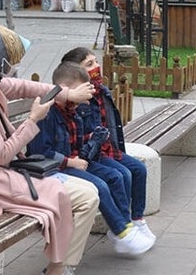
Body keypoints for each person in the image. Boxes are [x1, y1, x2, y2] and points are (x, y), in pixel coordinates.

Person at [0, 22, 100, 275]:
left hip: (4, 172)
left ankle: (60, 265)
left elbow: (25, 87)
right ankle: (59, 267)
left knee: (89, 192)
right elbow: (1, 155)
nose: (10, 66)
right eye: (5, 58)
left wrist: (66, 94)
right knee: (85, 196)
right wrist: (33, 119)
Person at [28, 61, 156, 256]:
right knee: (100, 186)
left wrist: (92, 139)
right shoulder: (48, 113)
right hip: (55, 169)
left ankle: (123, 227)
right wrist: (71, 162)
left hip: (75, 161)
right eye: (81, 94)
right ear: (65, 90)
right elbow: (41, 152)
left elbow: (77, 142)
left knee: (115, 176)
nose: (84, 102)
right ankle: (122, 231)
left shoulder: (72, 111)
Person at [60, 47, 152, 237]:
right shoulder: (79, 98)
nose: (97, 67)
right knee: (122, 174)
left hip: (108, 149)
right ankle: (122, 225)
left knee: (138, 169)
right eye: (90, 64)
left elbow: (108, 125)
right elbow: (82, 137)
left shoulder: (100, 90)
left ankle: (136, 219)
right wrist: (96, 144)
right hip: (91, 154)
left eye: (96, 61)